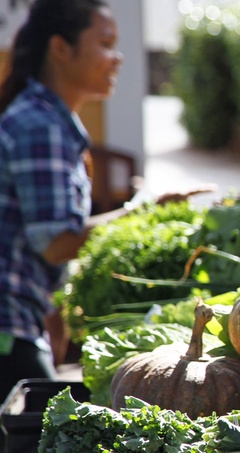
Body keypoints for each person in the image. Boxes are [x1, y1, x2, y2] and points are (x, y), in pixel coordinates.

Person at [0, 0, 125, 402]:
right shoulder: (39, 125)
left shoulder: (48, 121)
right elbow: (57, 242)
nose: (117, 58)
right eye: (105, 43)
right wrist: (142, 214)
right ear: (61, 48)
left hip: (22, 324)